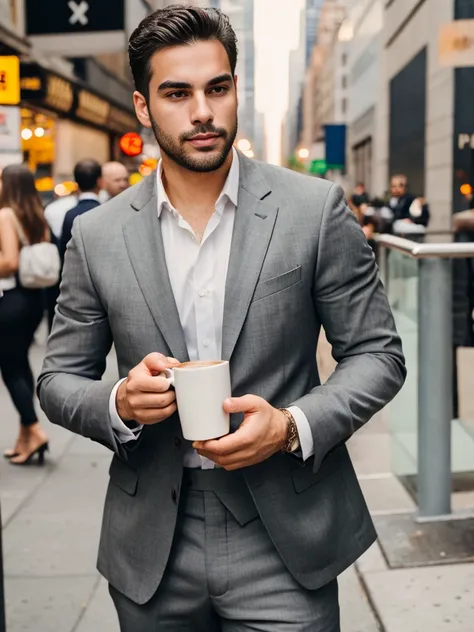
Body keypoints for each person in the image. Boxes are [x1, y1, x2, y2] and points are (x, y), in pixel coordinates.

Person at [38, 6, 406, 631]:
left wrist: (291, 425)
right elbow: (58, 379)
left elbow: (377, 354)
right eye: (176, 93)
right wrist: (121, 402)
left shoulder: (313, 209)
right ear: (143, 107)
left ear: (237, 88)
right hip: (151, 542)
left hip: (286, 537)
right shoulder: (97, 234)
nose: (202, 111)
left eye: (218, 87)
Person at [0, 164, 50, 466]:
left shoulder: (6, 214)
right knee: (20, 364)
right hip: (33, 300)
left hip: (12, 300)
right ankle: (24, 438)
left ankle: (34, 429)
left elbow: (10, 262)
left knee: (10, 367)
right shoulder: (37, 214)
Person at [59, 159, 102, 261]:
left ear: (76, 183)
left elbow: (64, 253)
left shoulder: (70, 215)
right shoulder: (105, 211)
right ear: (100, 182)